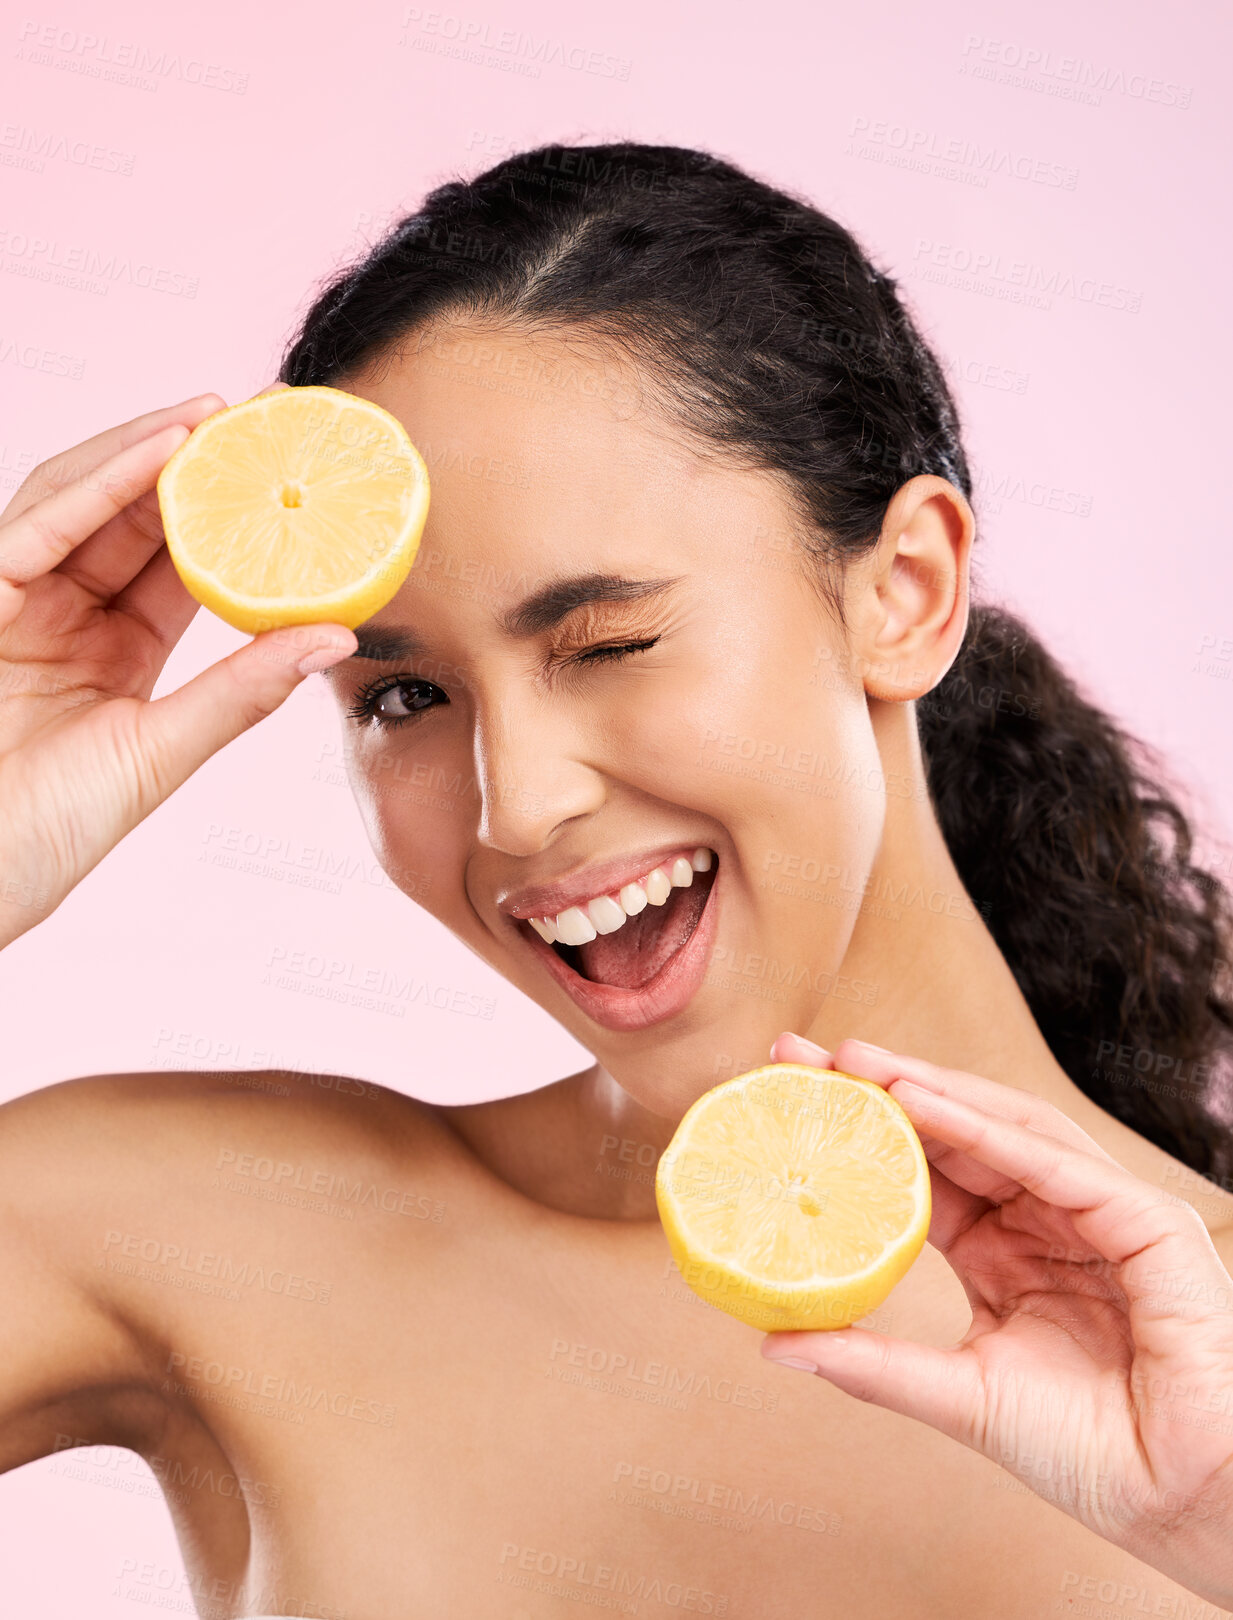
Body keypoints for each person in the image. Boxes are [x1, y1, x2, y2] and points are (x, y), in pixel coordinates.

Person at [3, 141, 1232, 1618]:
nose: (513, 807)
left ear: (902, 593)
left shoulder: (1206, 1369)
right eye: (402, 700)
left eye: (605, 646)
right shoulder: (208, 1227)